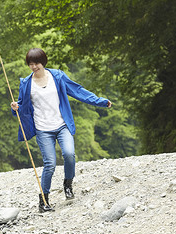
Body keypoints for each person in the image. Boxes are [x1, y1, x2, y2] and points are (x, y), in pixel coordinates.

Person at [11, 48, 112, 213]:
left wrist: (100, 102)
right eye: (30, 64)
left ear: (43, 62)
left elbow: (78, 91)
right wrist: (15, 107)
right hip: (43, 128)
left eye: (36, 63)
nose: (33, 67)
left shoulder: (57, 76)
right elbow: (21, 108)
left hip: (61, 124)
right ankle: (44, 201)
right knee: (49, 163)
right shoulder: (26, 83)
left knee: (69, 154)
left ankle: (68, 184)